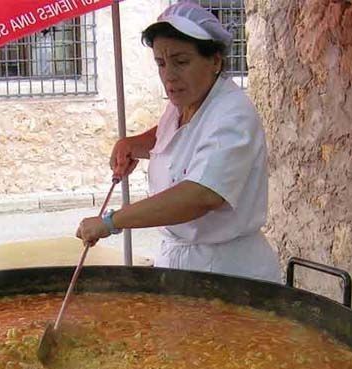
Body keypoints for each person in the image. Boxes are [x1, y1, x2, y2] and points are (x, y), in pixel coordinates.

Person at [76, 2, 280, 282]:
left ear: (215, 61)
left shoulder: (233, 114)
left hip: (226, 273)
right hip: (180, 266)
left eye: (181, 62)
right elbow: (177, 135)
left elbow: (201, 195)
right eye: (161, 63)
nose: (169, 75)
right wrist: (134, 144)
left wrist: (111, 222)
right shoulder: (185, 103)